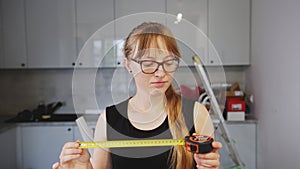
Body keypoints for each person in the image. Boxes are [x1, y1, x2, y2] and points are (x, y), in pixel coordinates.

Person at [53, 22, 222, 169]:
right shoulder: (108, 120)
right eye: (148, 64)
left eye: (169, 62)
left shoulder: (197, 114)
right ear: (128, 64)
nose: (160, 72)